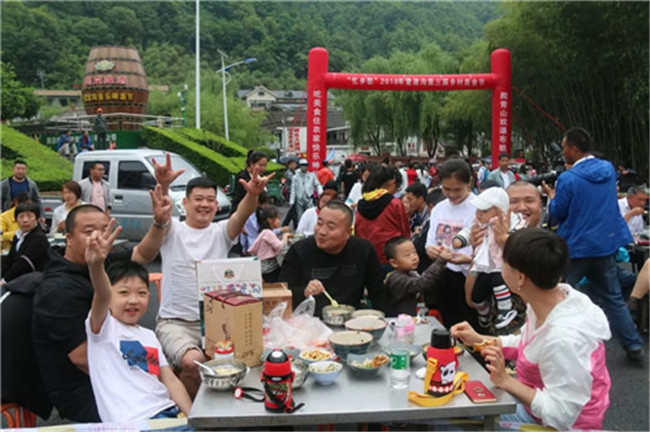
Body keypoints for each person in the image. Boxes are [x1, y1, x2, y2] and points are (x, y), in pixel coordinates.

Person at [33, 156, 175, 422]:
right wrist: (146, 374)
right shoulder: (57, 290)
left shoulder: (101, 259)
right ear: (69, 238)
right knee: (164, 387)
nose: (98, 237)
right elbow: (83, 358)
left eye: (103, 229)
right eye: (89, 231)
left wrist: (158, 222)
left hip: (120, 365)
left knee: (176, 379)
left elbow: (143, 254)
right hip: (85, 389)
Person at [451, 228, 611, 430]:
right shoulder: (555, 299)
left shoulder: (564, 339)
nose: (499, 266)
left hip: (558, 425)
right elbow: (529, 343)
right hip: (533, 406)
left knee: (450, 423)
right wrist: (479, 339)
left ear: (520, 278)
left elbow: (561, 414)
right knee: (461, 406)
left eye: (503, 262)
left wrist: (506, 380)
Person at [154, 165, 272, 398]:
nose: (204, 204)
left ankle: (233, 405)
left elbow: (241, 214)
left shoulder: (221, 232)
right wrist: (164, 186)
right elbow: (162, 214)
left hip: (219, 320)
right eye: (198, 199)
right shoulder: (172, 229)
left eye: (210, 200)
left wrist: (253, 194)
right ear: (185, 203)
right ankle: (195, 411)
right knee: (192, 362)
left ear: (217, 206)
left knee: (255, 352)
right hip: (177, 323)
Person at [542, 127, 643, 363]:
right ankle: (634, 345)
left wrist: (552, 195)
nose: (563, 152)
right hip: (605, 245)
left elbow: (557, 212)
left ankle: (550, 344)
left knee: (557, 295)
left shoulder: (568, 178)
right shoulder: (607, 169)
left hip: (576, 247)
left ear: (574, 149)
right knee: (613, 298)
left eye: (564, 147)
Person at [85, 235, 191, 422]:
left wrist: (195, 419)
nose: (133, 300)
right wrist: (96, 266)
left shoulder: (149, 335)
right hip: (135, 422)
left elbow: (171, 380)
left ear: (148, 297)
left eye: (141, 293)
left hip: (168, 414)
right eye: (124, 293)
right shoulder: (103, 329)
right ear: (110, 296)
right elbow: (101, 293)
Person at [279, 200, 391, 318]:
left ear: (348, 232)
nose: (322, 232)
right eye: (319, 223)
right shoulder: (299, 251)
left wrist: (390, 321)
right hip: (310, 321)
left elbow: (378, 292)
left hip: (351, 319)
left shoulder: (363, 250)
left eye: (331, 227)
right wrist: (304, 292)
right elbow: (281, 294)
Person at [455, 187, 519, 330]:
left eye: (484, 211)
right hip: (483, 265)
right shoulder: (478, 224)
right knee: (476, 295)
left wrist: (505, 238)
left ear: (500, 210)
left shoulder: (509, 222)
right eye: (478, 210)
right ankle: (484, 313)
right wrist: (460, 240)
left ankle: (505, 310)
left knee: (499, 281)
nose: (478, 214)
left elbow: (517, 240)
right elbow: (468, 231)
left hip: (499, 263)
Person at [424, 158, 478, 328]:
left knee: (469, 325)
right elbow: (430, 241)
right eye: (447, 189)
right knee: (448, 325)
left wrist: (468, 259)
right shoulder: (439, 208)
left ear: (469, 182)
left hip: (469, 278)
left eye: (457, 189)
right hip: (443, 275)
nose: (452, 195)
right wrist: (431, 250)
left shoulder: (479, 209)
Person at [355, 164, 410, 274]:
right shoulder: (395, 204)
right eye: (397, 188)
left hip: (366, 259)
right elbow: (405, 233)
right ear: (392, 183)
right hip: (391, 260)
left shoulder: (361, 204)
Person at [384, 236, 451, 316]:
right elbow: (423, 283)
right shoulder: (396, 279)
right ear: (394, 263)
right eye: (407, 255)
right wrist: (440, 261)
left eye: (414, 252)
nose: (414, 257)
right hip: (402, 321)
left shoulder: (412, 273)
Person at [1, 202, 49, 284]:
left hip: (32, 282)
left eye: (30, 216)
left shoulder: (39, 238)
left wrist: (4, 281)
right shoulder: (17, 236)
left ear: (37, 219)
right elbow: (10, 259)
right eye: (21, 216)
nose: (25, 220)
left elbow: (24, 264)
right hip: (18, 279)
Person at [248, 206, 293, 283]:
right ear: (269, 220)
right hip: (270, 268)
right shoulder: (268, 233)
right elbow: (280, 247)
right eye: (278, 218)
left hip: (265, 267)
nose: (279, 221)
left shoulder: (264, 232)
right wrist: (285, 237)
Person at [230, 150, 269, 215]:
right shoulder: (242, 177)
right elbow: (241, 199)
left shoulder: (261, 176)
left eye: (265, 165)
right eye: (260, 165)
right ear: (251, 164)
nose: (263, 168)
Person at [290, 158, 322, 222]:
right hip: (299, 199)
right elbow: (293, 189)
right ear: (300, 166)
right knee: (300, 216)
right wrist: (292, 200)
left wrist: (321, 193)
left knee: (310, 214)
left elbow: (317, 184)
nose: (304, 167)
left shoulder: (312, 175)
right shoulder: (295, 177)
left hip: (309, 198)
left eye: (305, 165)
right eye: (302, 165)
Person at [282, 157, 299, 228]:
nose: (293, 165)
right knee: (294, 209)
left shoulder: (295, 172)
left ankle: (285, 223)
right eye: (291, 164)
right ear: (288, 165)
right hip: (290, 193)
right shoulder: (289, 173)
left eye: (294, 164)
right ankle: (295, 225)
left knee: (293, 209)